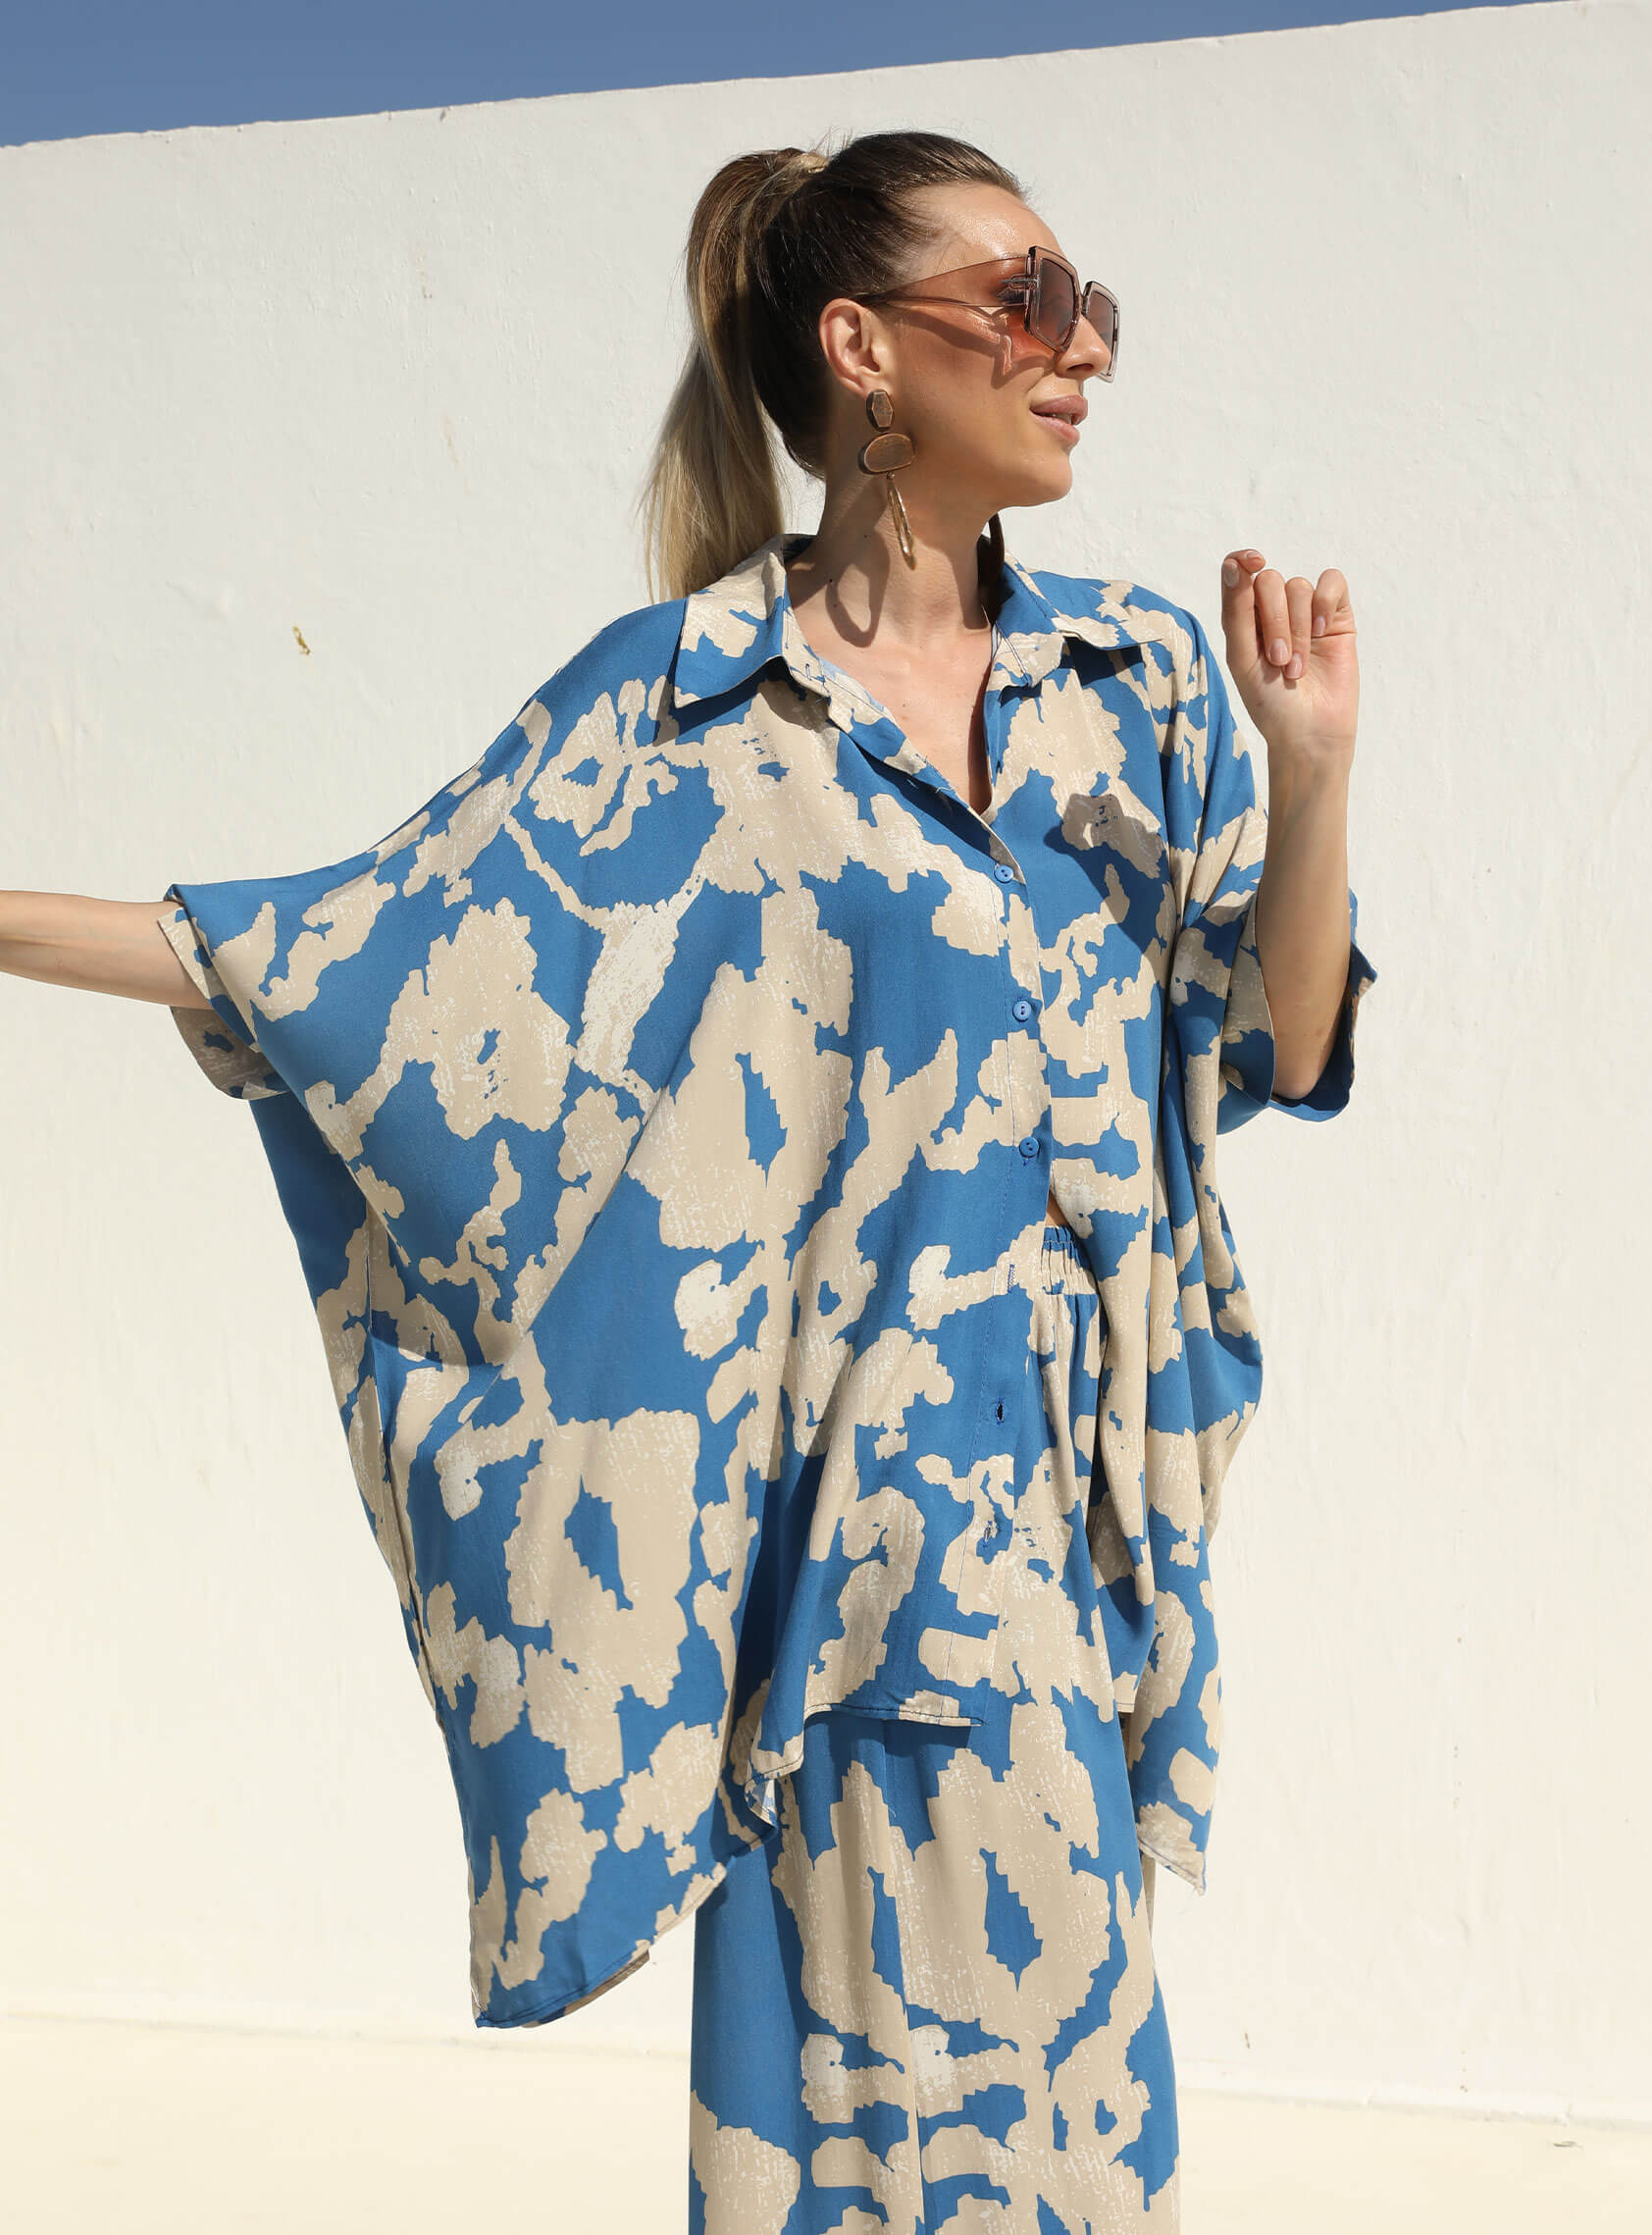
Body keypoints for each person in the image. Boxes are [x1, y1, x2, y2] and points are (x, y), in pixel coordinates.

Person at [2, 128, 1376, 2231]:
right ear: (862, 348)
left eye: (1088, 300)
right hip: (817, 1576)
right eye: (1024, 297)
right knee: (840, 2145)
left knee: (1081, 2153)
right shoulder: (680, 710)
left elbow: (1278, 1044)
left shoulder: (1138, 689)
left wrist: (1313, 772)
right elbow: (359, 957)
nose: (1083, 343)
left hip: (1056, 1561)